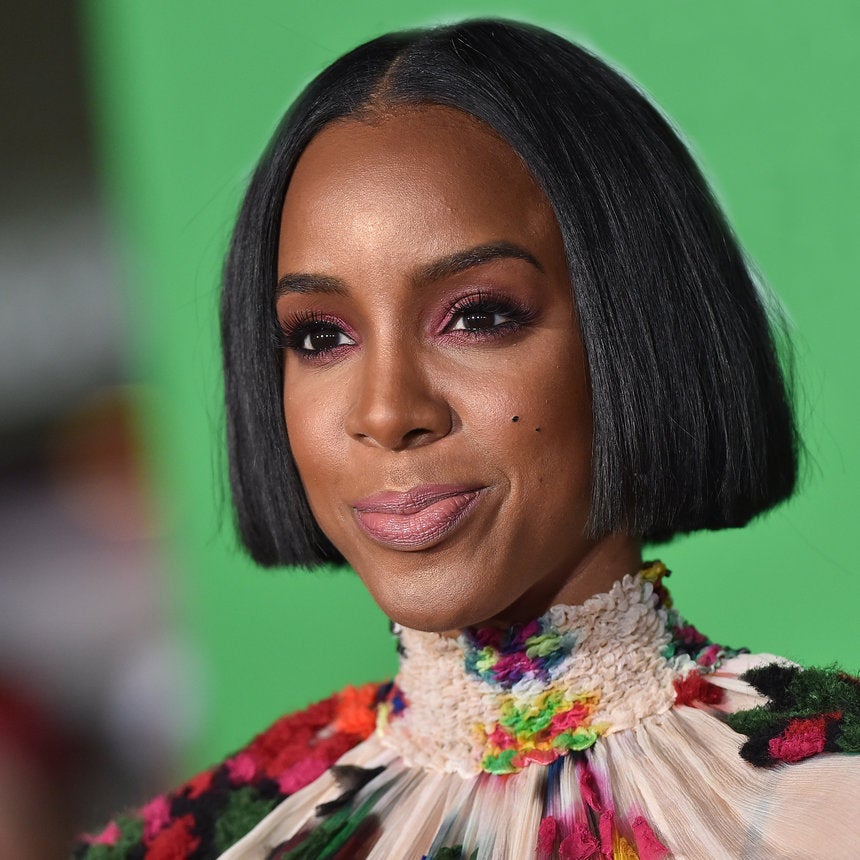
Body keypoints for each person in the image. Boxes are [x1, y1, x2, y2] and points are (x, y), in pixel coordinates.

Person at [73, 18, 859, 859]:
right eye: (321, 336)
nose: (386, 411)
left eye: (478, 317)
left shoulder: (830, 801)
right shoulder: (203, 842)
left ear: (636, 328)